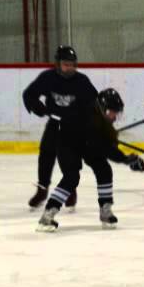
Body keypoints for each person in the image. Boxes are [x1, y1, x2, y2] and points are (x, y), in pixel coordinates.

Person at [35, 88, 144, 233]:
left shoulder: (101, 117)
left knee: (104, 169)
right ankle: (47, 215)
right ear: (103, 108)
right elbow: (106, 148)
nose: (115, 116)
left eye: (117, 113)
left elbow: (106, 144)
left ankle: (105, 210)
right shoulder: (88, 117)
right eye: (113, 112)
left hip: (87, 143)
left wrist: (127, 159)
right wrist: (126, 159)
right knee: (71, 177)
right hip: (67, 142)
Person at [22, 46, 96, 209]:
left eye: (72, 65)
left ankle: (70, 190)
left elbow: (94, 104)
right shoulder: (48, 78)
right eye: (65, 64)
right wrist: (37, 107)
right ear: (57, 64)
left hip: (74, 128)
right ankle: (42, 190)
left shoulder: (82, 81)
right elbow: (29, 94)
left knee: (69, 160)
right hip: (54, 125)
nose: (69, 68)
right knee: (46, 155)